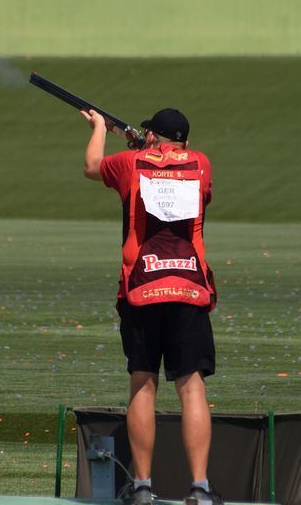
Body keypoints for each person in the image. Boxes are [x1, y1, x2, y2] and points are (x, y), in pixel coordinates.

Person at [81, 107, 221, 505]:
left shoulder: (130, 162)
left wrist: (98, 128)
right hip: (190, 288)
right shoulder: (201, 163)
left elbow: (92, 166)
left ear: (152, 136)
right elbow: (178, 170)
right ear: (186, 141)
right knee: (191, 388)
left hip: (142, 288)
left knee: (143, 383)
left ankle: (142, 486)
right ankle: (200, 488)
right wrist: (152, 147)